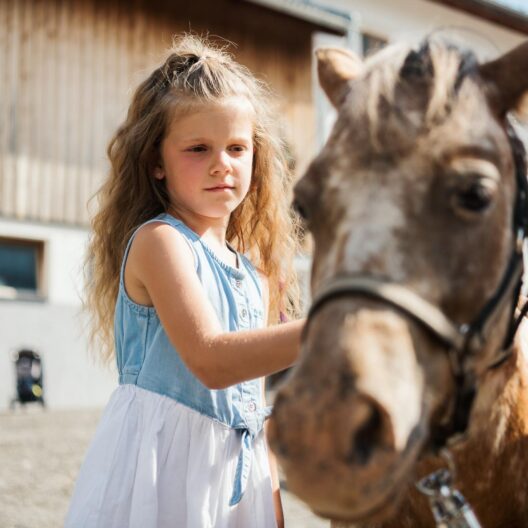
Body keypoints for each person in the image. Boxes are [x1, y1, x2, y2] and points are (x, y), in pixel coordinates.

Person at [65, 34, 304, 528]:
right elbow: (212, 361)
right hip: (160, 479)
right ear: (156, 161)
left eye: (237, 147)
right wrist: (339, 328)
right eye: (199, 148)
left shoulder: (256, 272)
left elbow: (253, 413)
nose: (223, 163)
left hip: (236, 486)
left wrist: (274, 510)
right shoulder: (160, 242)